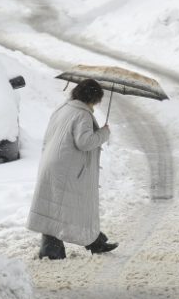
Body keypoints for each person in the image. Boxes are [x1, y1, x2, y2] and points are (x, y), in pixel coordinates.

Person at [26, 78, 119, 260]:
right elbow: (84, 142)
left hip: (53, 163)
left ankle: (67, 245)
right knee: (77, 206)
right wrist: (103, 133)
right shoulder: (82, 114)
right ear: (92, 97)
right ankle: (81, 243)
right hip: (68, 168)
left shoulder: (64, 108)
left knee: (54, 207)